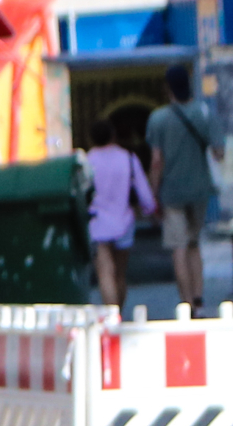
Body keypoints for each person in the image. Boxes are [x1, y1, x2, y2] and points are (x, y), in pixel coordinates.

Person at [146, 64, 219, 308]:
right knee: (194, 244)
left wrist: (153, 195)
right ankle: (199, 299)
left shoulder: (158, 119)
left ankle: (185, 302)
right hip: (199, 189)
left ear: (168, 88)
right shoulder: (204, 113)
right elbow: (219, 152)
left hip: (172, 193)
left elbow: (156, 162)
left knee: (178, 248)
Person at [86, 117, 155, 310]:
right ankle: (119, 313)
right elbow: (144, 193)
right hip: (124, 222)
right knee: (120, 274)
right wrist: (151, 210)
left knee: (105, 272)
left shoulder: (86, 162)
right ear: (113, 135)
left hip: (97, 223)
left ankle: (111, 316)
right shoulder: (128, 158)